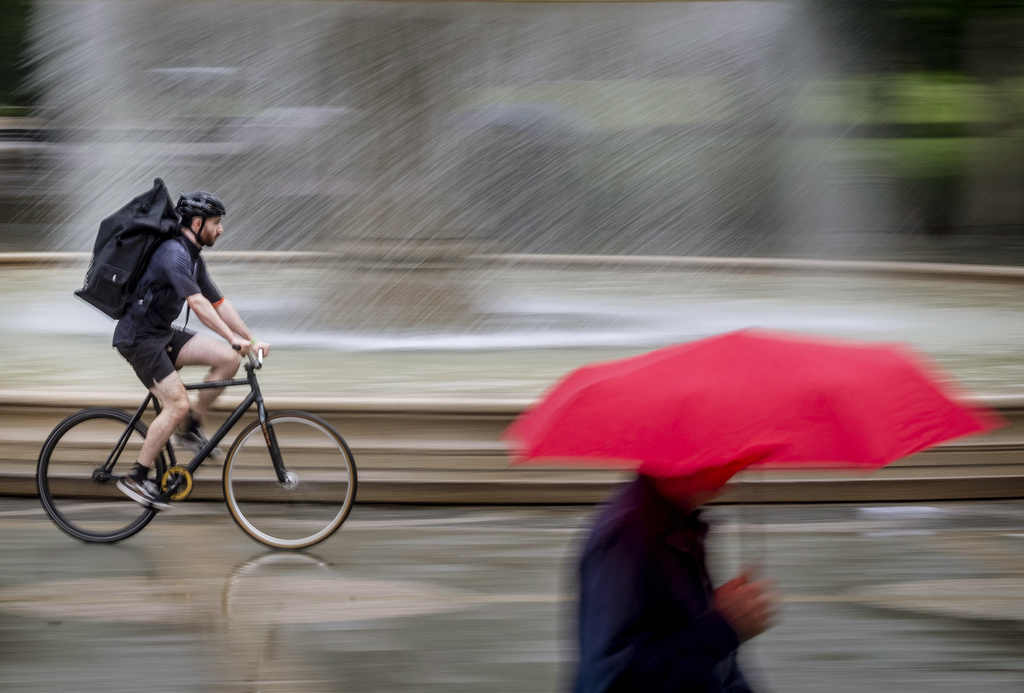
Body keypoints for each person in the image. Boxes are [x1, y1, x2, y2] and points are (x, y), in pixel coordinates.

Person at [114, 190, 271, 510]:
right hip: (139, 339)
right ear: (197, 223)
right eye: (216, 223)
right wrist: (231, 336)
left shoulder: (193, 256)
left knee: (228, 359)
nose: (221, 229)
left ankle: (190, 430)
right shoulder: (174, 254)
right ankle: (137, 476)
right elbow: (198, 304)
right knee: (176, 404)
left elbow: (219, 303)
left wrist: (250, 341)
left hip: (160, 334)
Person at [573, 470, 779, 693]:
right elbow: (616, 680)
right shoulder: (626, 538)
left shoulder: (678, 522)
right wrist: (724, 626)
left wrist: (719, 617)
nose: (739, 465)